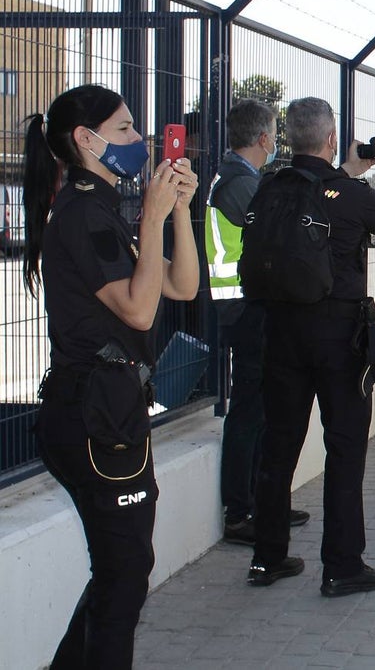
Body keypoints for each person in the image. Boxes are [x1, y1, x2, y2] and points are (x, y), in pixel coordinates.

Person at [22, 84, 200, 667]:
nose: (140, 141)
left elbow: (182, 286)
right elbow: (139, 310)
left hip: (108, 408)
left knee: (122, 572)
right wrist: (149, 218)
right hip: (95, 413)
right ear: (85, 139)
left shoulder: (99, 207)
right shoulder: (82, 209)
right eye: (124, 129)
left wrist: (176, 214)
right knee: (124, 578)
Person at [246, 97, 375, 597]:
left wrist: (353, 168)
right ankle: (342, 565)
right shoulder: (350, 194)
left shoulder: (273, 186)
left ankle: (268, 557)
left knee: (279, 445)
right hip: (338, 338)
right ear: (330, 137)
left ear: (289, 138)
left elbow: (317, 192)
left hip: (278, 331)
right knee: (343, 449)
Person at [205, 99, 310, 545]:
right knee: (249, 413)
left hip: (251, 308)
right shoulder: (237, 183)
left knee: (263, 410)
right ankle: (240, 512)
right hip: (243, 310)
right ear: (265, 138)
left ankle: (264, 503)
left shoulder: (241, 178)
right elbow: (277, 231)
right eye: (274, 136)